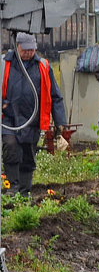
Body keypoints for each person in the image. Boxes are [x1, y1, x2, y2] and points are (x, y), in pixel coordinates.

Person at [2, 33, 66, 195]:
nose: (29, 53)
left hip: (33, 119)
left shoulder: (43, 66)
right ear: (17, 46)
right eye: (25, 50)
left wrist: (60, 121)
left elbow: (55, 96)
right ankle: (12, 188)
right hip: (9, 117)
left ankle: (24, 191)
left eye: (32, 50)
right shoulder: (5, 63)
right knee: (10, 146)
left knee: (27, 154)